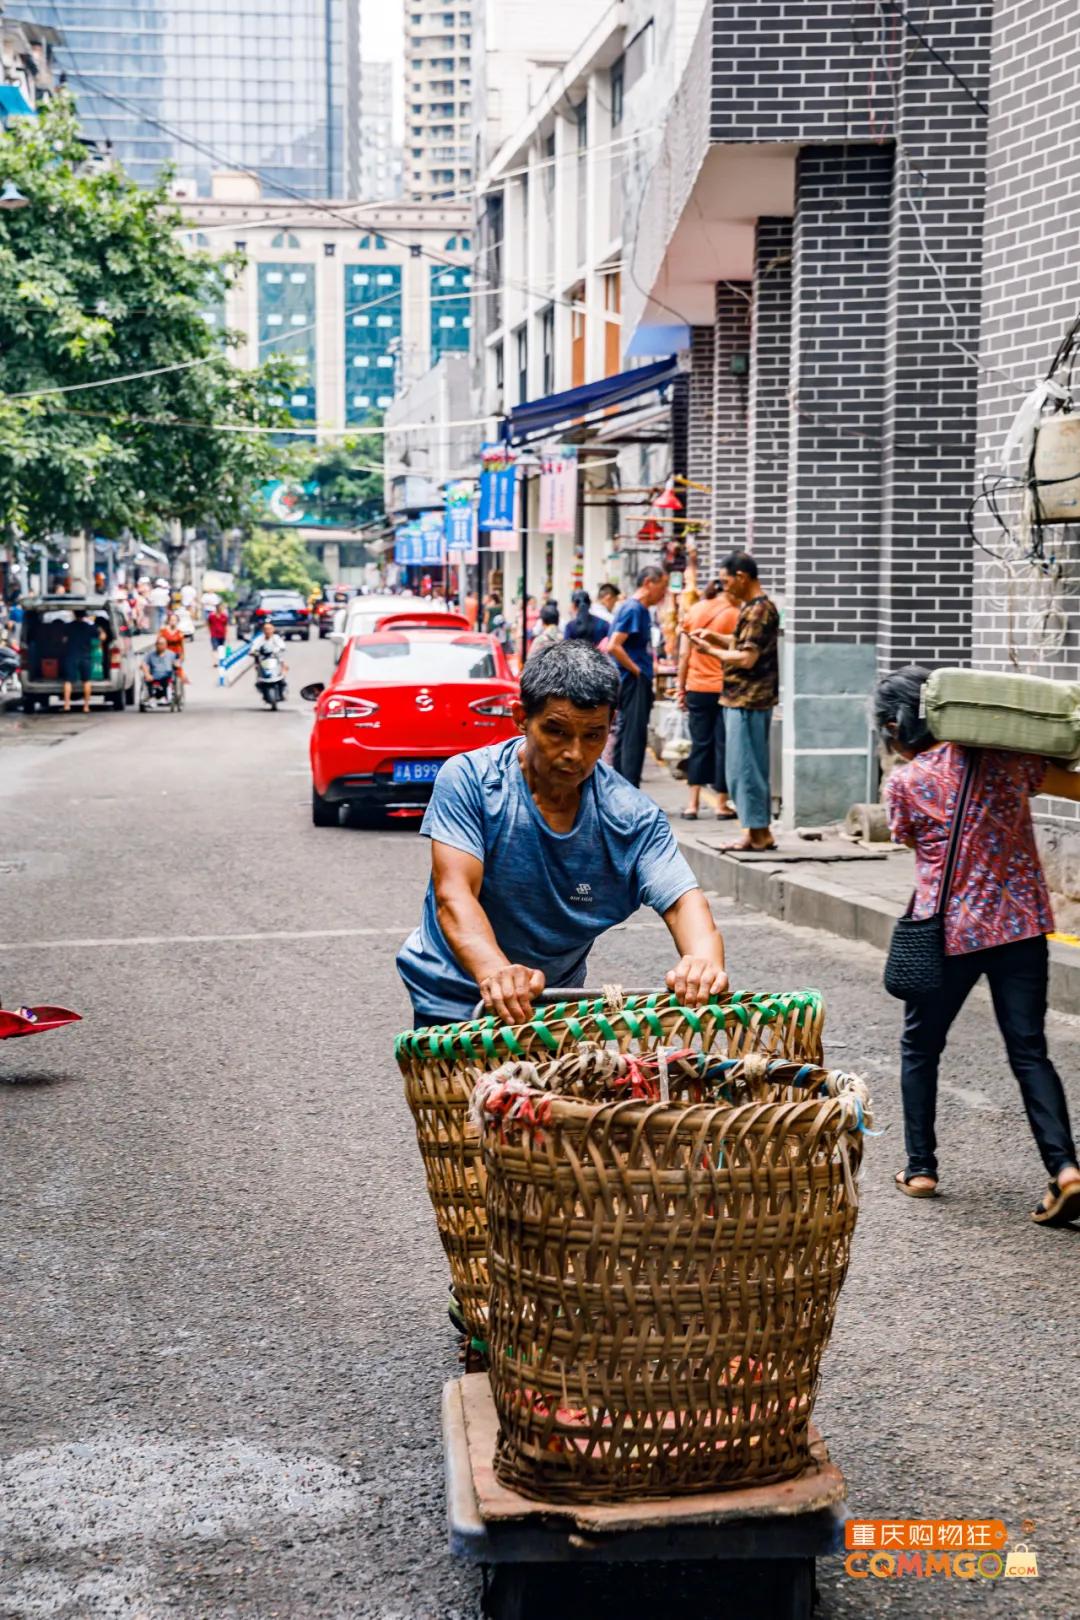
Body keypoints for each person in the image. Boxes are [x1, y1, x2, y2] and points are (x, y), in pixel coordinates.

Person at [396, 640, 729, 1027]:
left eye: (593, 736)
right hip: (452, 997)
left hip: (552, 1008)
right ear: (521, 717)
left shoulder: (631, 817)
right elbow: (454, 894)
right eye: (556, 731)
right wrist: (496, 973)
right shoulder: (471, 780)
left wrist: (703, 963)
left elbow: (683, 902)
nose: (575, 753)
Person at [876, 665, 1080, 1225]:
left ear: (897, 727)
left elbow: (908, 837)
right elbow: (1074, 784)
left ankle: (920, 1169)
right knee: (1029, 1049)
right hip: (1022, 926)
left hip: (949, 932)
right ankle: (1065, 1170)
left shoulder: (905, 783)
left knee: (921, 1046)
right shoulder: (1010, 760)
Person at [689, 551, 780, 852]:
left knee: (744, 769)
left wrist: (709, 651)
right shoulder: (753, 609)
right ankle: (759, 833)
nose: (724, 587)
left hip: (748, 700)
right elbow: (742, 644)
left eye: (727, 582)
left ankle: (754, 833)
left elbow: (746, 657)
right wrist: (715, 638)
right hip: (742, 699)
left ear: (742, 578)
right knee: (746, 768)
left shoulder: (758, 610)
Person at [677, 578, 741, 821]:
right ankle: (721, 804)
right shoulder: (735, 614)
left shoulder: (694, 611)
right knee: (723, 744)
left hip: (697, 687)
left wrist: (681, 688)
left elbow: (684, 655)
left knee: (699, 744)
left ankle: (692, 804)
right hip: (726, 688)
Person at [608, 565, 669, 788]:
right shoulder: (633, 609)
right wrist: (636, 670)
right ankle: (629, 788)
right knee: (633, 736)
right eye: (662, 586)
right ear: (648, 584)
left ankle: (622, 786)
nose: (664, 593)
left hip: (633, 678)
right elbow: (614, 646)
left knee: (628, 733)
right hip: (632, 680)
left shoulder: (638, 609)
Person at [61, 607, 104, 714]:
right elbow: (102, 637)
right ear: (85, 615)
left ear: (74, 614)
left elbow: (63, 640)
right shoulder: (90, 627)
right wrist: (98, 642)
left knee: (68, 681)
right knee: (87, 681)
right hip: (85, 656)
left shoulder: (68, 626)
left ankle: (66, 705)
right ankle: (86, 706)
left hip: (71, 655)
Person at [140, 634, 177, 705]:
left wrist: (176, 664)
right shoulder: (150, 655)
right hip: (154, 675)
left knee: (167, 679)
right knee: (147, 679)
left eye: (161, 644)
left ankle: (165, 697)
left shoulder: (171, 654)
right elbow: (143, 664)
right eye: (157, 644)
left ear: (165, 645)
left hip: (166, 675)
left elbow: (177, 662)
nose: (159, 645)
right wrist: (147, 674)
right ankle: (151, 697)